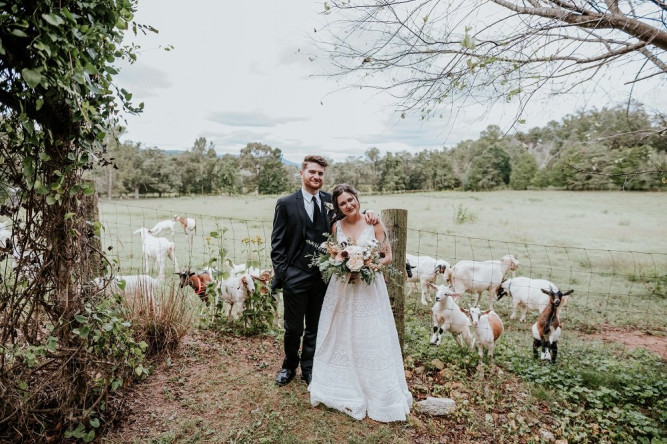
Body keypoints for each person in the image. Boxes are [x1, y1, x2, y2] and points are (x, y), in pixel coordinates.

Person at [309, 183, 412, 422]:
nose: (348, 205)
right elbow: (334, 253)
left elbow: (388, 256)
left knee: (370, 333)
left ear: (357, 198)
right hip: (343, 286)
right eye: (342, 203)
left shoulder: (373, 222)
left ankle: (374, 389)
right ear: (338, 207)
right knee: (342, 332)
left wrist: (368, 265)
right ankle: (340, 384)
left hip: (369, 288)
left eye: (350, 200)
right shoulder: (336, 226)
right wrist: (341, 263)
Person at [270, 156, 377, 387]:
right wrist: (285, 274)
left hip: (323, 278)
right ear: (302, 173)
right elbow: (277, 244)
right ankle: (289, 366)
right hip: (294, 276)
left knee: (316, 327)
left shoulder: (331, 201)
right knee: (293, 328)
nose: (316, 177)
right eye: (312, 172)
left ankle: (309, 368)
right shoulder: (286, 203)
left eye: (320, 173)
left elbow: (352, 213)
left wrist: (369, 211)